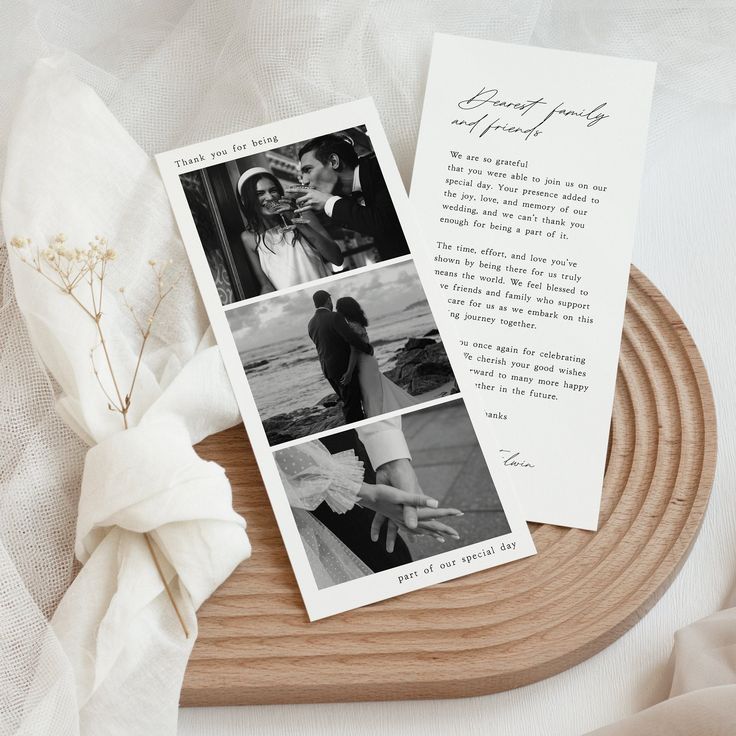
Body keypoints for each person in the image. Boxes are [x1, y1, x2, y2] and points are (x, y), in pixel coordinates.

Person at [274, 438, 461, 585]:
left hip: (345, 453)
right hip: (316, 488)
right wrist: (365, 493)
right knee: (370, 555)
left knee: (382, 548)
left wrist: (393, 461)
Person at [295, 134, 409, 261]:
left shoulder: (384, 168)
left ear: (334, 161)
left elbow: (385, 223)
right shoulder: (347, 199)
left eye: (308, 170)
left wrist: (328, 201)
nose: (304, 181)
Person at [237, 167, 343, 293]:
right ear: (245, 201)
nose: (270, 197)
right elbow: (266, 285)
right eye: (260, 194)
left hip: (327, 291)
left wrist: (296, 221)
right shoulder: (248, 238)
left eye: (273, 190)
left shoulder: (301, 213)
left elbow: (336, 258)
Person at [335, 295, 418, 417]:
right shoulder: (357, 322)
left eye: (338, 309)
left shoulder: (351, 326)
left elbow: (354, 351)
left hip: (364, 363)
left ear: (344, 310)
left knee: (370, 393)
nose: (337, 312)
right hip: (369, 360)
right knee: (375, 390)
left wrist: (349, 372)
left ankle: (379, 415)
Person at [307, 288, 371, 424]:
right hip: (343, 368)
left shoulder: (311, 323)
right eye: (331, 300)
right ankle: (357, 429)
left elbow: (324, 345)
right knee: (352, 404)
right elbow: (350, 338)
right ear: (328, 300)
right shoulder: (334, 316)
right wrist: (367, 348)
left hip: (328, 370)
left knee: (347, 400)